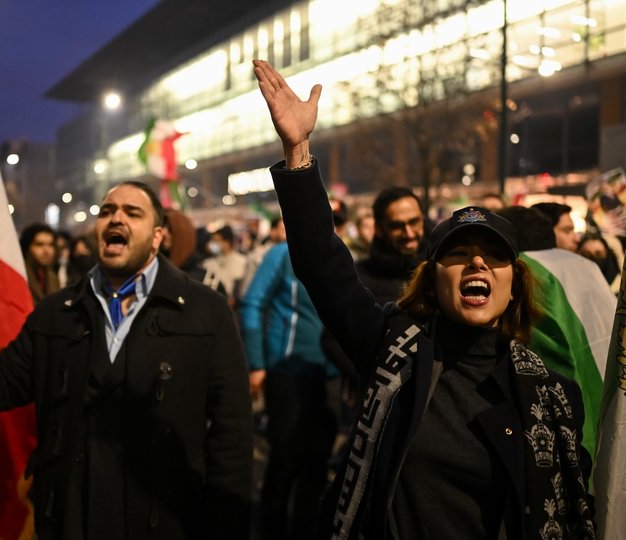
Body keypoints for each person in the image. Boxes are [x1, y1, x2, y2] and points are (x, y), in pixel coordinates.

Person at [253, 59, 595, 539]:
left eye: (493, 258)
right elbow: (321, 266)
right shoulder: (393, 348)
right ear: (433, 279)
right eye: (460, 255)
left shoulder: (553, 397)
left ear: (514, 282)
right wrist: (298, 152)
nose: (477, 265)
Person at [0, 181, 252, 540]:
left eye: (132, 212)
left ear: (158, 236)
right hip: (70, 518)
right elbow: (2, 382)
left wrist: (226, 522)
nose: (116, 219)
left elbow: (231, 430)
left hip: (166, 521)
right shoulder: (57, 311)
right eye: (107, 211)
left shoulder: (204, 310)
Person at [240, 234, 338, 540]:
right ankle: (272, 529)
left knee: (317, 463)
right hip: (288, 373)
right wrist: (257, 362)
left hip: (329, 373)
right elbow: (252, 303)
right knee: (284, 459)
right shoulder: (281, 254)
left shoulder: (337, 253)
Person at [498, 206, 616, 456]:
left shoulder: (529, 273)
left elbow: (546, 365)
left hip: (574, 425)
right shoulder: (584, 264)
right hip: (613, 393)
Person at [356, 186, 428, 305]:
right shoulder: (360, 281)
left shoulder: (439, 270)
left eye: (414, 222)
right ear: (379, 229)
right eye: (397, 226)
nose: (409, 234)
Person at [201, 224, 247, 305]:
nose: (212, 244)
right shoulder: (207, 263)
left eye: (216, 241)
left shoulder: (242, 262)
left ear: (227, 243)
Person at [19, 223, 60, 304]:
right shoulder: (19, 273)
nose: (46, 250)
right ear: (27, 248)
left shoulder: (53, 278)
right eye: (39, 245)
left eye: (50, 245)